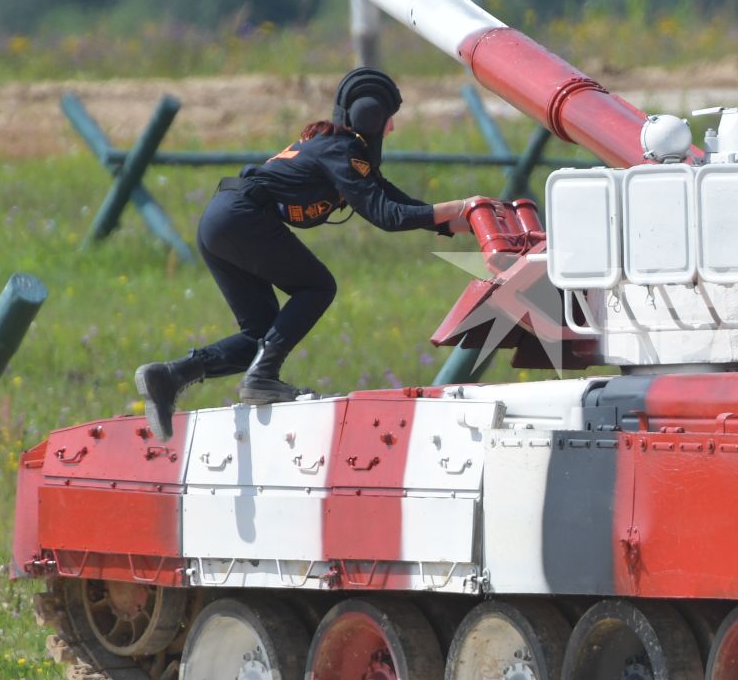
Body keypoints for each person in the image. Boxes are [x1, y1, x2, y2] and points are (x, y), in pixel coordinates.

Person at [134, 68, 480, 437]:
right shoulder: (343, 153)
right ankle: (262, 378)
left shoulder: (338, 151)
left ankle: (170, 376)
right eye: (390, 119)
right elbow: (388, 217)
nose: (392, 129)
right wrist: (464, 202)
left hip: (221, 218)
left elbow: (399, 203)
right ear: (373, 118)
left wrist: (467, 221)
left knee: (262, 334)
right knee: (317, 287)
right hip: (242, 216)